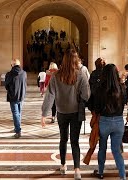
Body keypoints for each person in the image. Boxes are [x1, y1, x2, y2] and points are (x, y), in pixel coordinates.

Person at [41, 49, 90, 180]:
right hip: (75, 112)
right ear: (76, 60)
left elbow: (49, 95)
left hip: (61, 112)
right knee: (75, 142)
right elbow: (86, 94)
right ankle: (77, 170)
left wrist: (44, 114)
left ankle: (63, 165)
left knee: (63, 139)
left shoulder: (56, 75)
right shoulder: (81, 75)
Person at [92, 64, 127, 180]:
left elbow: (95, 107)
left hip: (104, 122)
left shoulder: (100, 88)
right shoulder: (121, 87)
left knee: (102, 148)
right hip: (118, 121)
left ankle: (101, 172)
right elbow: (125, 103)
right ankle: (122, 176)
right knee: (116, 151)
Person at [83, 57, 106, 165]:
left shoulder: (93, 74)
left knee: (95, 126)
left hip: (94, 107)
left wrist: (89, 105)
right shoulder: (106, 75)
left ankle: (91, 150)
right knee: (99, 129)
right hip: (103, 107)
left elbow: (89, 90)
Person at [5, 59, 27, 139]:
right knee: (19, 112)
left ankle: (18, 130)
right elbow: (25, 84)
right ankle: (17, 127)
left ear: (12, 65)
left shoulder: (9, 74)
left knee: (15, 113)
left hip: (13, 96)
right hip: (21, 96)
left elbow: (6, 85)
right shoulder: (24, 73)